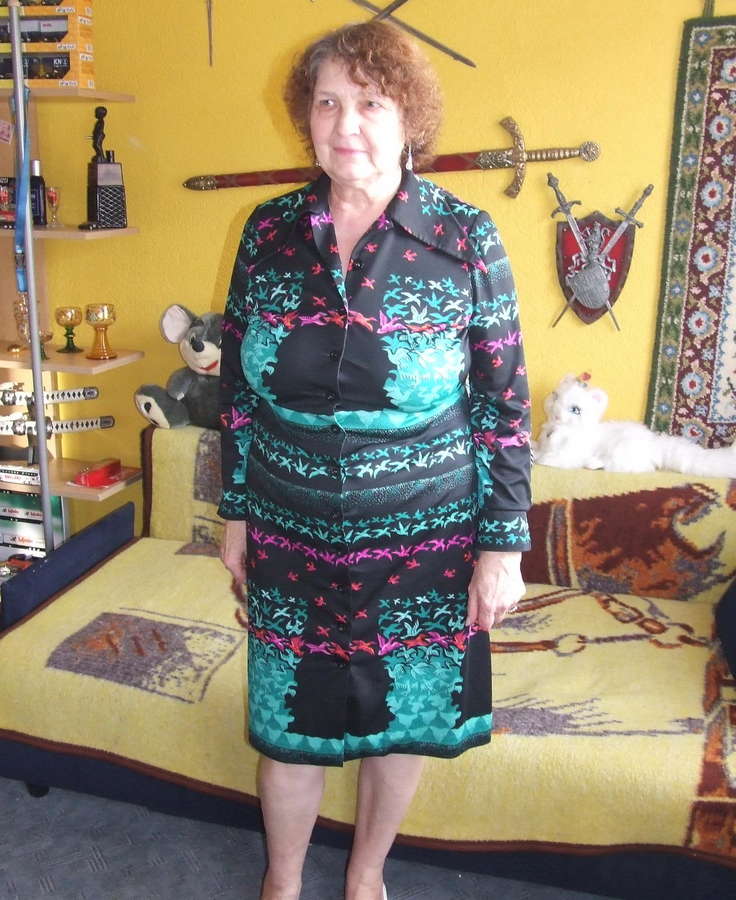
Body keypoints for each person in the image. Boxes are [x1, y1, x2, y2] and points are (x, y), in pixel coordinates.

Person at [218, 21, 531, 900]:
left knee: (402, 718)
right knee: (289, 723)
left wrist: (502, 547)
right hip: (289, 529)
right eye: (327, 103)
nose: (345, 124)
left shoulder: (466, 237)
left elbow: (504, 407)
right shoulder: (268, 232)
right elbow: (236, 391)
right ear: (305, 118)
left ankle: (365, 875)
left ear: (408, 118)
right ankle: (283, 883)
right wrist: (233, 512)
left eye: (369, 103)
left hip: (427, 538)